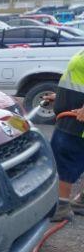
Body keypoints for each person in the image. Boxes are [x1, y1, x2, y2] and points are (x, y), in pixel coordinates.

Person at [50, 49, 84, 221]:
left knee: (65, 157)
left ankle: (61, 206)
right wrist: (61, 95)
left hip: (76, 119)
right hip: (72, 112)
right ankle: (82, 201)